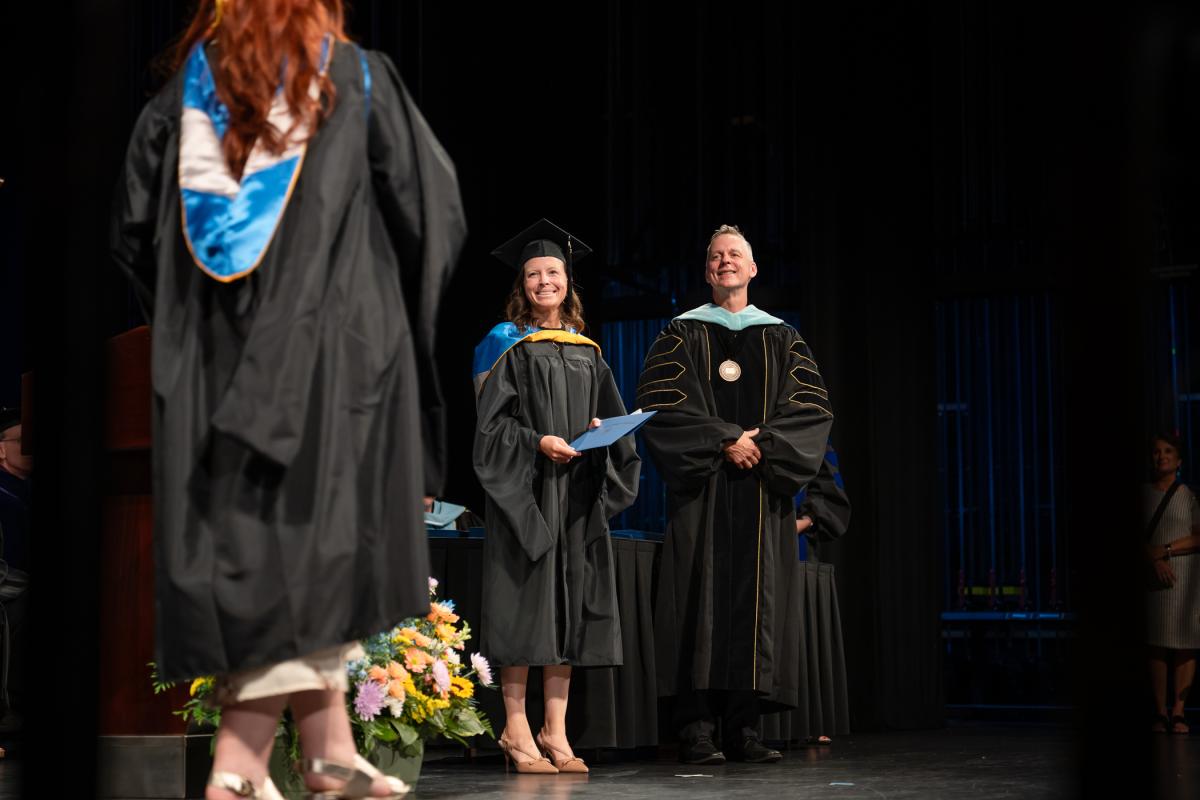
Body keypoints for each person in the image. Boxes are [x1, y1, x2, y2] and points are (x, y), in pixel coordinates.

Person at [109, 1, 465, 797]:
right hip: (336, 368)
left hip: (208, 373)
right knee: (315, 544)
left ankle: (325, 742)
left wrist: (192, 337)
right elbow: (431, 214)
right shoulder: (355, 79)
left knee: (258, 545)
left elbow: (130, 233)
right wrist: (385, 324)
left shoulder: (178, 102)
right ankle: (241, 760)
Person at [636, 224, 833, 765]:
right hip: (703, 494)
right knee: (697, 601)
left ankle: (744, 730)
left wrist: (761, 445)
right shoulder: (680, 333)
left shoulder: (783, 336)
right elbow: (660, 404)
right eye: (716, 256)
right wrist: (724, 439)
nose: (725, 262)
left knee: (756, 608)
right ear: (707, 272)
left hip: (762, 494)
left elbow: (811, 411)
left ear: (752, 270)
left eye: (735, 255)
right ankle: (696, 730)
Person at [473, 219, 640, 774]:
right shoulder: (507, 344)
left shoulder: (589, 351)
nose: (544, 282)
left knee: (566, 612)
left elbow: (615, 419)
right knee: (525, 609)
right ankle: (515, 729)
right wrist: (537, 441)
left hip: (574, 495)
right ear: (520, 286)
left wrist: (599, 429)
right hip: (526, 493)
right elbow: (490, 432)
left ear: (568, 281)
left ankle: (556, 730)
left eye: (553, 273)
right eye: (533, 275)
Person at [1143, 432, 1200, 735]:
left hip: (1186, 577)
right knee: (1157, 645)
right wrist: (1153, 560)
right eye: (1156, 451)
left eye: (1167, 451)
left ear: (1179, 460)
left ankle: (1179, 711)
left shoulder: (1188, 495)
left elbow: (1198, 535)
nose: (1161, 456)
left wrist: (1164, 551)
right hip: (1153, 578)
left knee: (1185, 645)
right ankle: (1159, 711)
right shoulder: (1143, 493)